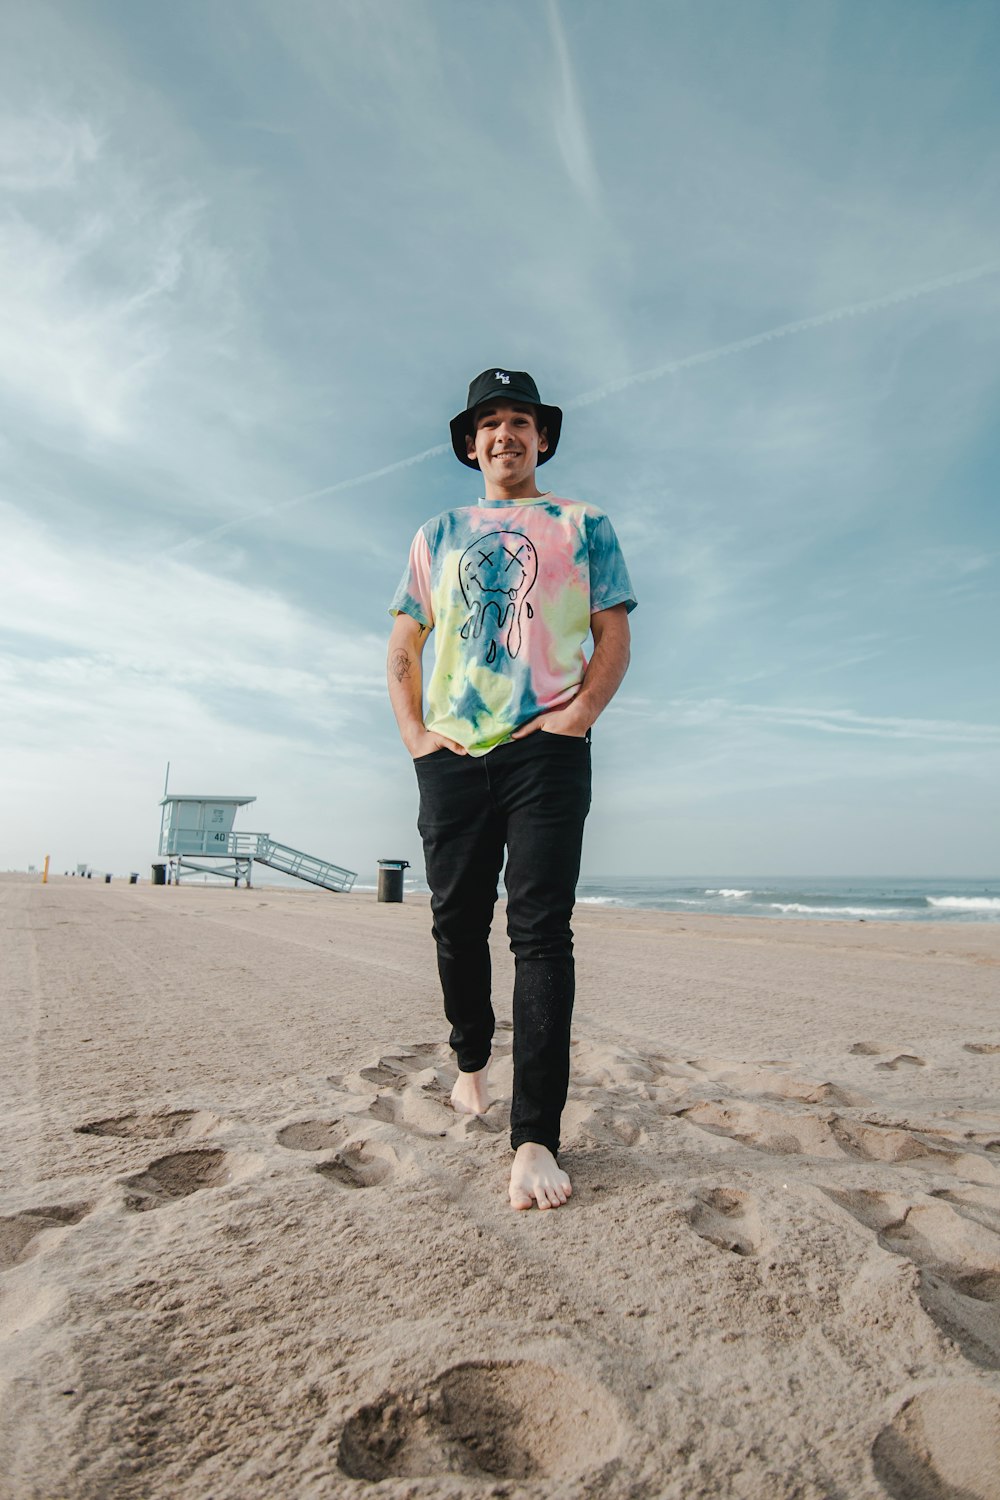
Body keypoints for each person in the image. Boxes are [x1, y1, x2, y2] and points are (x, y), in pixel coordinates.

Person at [387, 368, 636, 1210]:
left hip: (546, 755)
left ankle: (534, 1137)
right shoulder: (438, 532)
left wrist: (576, 719)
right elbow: (401, 647)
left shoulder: (582, 524)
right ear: (470, 443)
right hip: (452, 752)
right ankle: (469, 1058)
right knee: (454, 920)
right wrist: (419, 738)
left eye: (520, 421)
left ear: (542, 438)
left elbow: (612, 634)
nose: (506, 435)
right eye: (490, 423)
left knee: (541, 933)